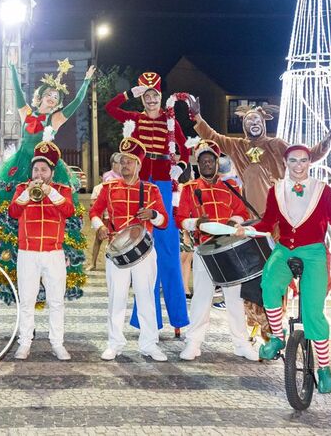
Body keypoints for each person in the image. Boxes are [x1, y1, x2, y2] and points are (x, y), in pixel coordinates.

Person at [243, 145, 331, 395]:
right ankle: (277, 336)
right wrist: (248, 230)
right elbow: (268, 223)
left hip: (313, 252)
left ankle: (324, 368)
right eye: (293, 161)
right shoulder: (275, 190)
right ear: (285, 162)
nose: (298, 165)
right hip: (285, 248)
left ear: (310, 162)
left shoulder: (323, 190)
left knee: (313, 311)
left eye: (303, 160)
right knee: (268, 284)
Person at [0, 57, 94, 305]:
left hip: (45, 169)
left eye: (56, 97)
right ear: (41, 96)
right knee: (13, 213)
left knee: (51, 209)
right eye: (49, 95)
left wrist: (86, 82)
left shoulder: (54, 119)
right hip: (22, 166)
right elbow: (17, 92)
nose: (52, 99)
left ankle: (52, 269)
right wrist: (11, 66)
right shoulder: (27, 113)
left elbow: (76, 103)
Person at [104, 74, 189, 334]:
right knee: (143, 250)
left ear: (161, 96)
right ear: (142, 97)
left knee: (170, 253)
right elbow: (110, 108)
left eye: (155, 94)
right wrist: (130, 92)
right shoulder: (135, 119)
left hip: (164, 183)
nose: (151, 99)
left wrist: (181, 168)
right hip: (140, 185)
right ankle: (146, 319)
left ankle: (178, 319)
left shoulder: (170, 119)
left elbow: (184, 150)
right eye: (147, 95)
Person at [89, 122, 169, 362]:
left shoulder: (151, 189)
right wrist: (100, 227)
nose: (125, 165)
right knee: (117, 298)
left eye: (130, 161)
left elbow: (164, 221)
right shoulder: (108, 188)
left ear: (138, 164)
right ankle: (115, 343)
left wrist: (153, 215)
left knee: (146, 296)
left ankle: (149, 344)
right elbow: (94, 212)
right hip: (116, 251)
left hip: (144, 252)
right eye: (122, 161)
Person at [175, 140, 258, 361]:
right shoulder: (190, 188)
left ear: (216, 162)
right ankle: (193, 343)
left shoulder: (230, 185)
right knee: (202, 297)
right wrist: (196, 223)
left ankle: (241, 343)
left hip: (230, 248)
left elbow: (241, 211)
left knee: (235, 299)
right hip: (204, 250)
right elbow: (180, 219)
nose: (208, 164)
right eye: (203, 161)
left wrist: (234, 221)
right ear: (198, 164)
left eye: (211, 160)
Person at [187, 99, 331, 215]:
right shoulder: (238, 145)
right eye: (250, 121)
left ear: (263, 123)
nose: (254, 123)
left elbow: (302, 157)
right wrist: (197, 116)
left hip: (277, 199)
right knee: (253, 169)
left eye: (257, 120)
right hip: (252, 204)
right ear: (245, 126)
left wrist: (323, 145)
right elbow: (213, 137)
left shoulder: (276, 144)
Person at [9, 131, 76, 361]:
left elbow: (69, 211)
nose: (39, 173)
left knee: (56, 301)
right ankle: (24, 343)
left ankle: (57, 343)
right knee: (27, 300)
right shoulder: (22, 189)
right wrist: (28, 193)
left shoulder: (63, 191)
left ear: (51, 172)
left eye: (44, 170)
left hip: (53, 252)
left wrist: (51, 192)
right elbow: (13, 212)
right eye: (36, 169)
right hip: (27, 253)